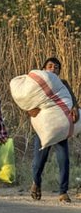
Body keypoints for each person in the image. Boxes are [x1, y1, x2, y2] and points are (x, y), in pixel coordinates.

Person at [28, 57, 78, 203]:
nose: (53, 69)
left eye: (56, 67)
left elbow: (72, 100)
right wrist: (30, 110)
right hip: (43, 129)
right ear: (43, 69)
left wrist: (74, 108)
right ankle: (36, 184)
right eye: (50, 66)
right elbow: (28, 102)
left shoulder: (63, 84)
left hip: (60, 130)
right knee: (39, 162)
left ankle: (63, 192)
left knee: (64, 160)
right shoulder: (38, 86)